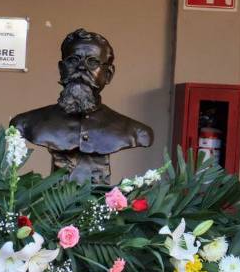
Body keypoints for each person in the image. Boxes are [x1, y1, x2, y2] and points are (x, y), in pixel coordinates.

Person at [10, 28, 153, 184]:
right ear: (61, 69)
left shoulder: (135, 131)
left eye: (92, 62)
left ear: (108, 74)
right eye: (73, 60)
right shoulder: (26, 123)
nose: (81, 68)